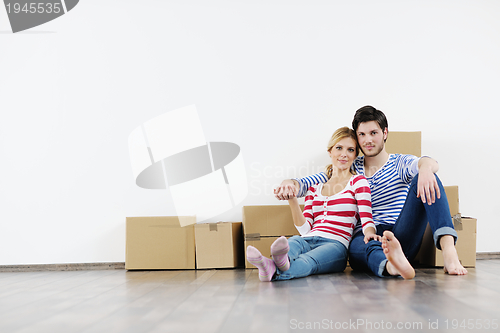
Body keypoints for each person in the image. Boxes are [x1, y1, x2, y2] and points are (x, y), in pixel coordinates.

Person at [275, 106, 467, 278]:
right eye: (362, 135)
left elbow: (429, 162)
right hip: (365, 236)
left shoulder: (399, 163)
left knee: (428, 177)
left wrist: (425, 168)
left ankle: (449, 253)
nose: (368, 140)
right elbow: (305, 184)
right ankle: (391, 266)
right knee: (358, 246)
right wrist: (288, 183)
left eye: (373, 133)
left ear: (384, 133)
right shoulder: (349, 167)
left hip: (400, 232)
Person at [247, 127, 379, 282]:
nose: (344, 154)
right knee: (294, 241)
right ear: (330, 152)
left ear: (355, 155)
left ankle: (269, 267)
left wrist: (370, 233)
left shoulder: (358, 182)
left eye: (350, 150)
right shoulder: (314, 188)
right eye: (339, 148)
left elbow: (367, 218)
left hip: (336, 244)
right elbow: (305, 229)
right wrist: (292, 199)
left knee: (308, 262)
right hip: (309, 238)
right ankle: (274, 265)